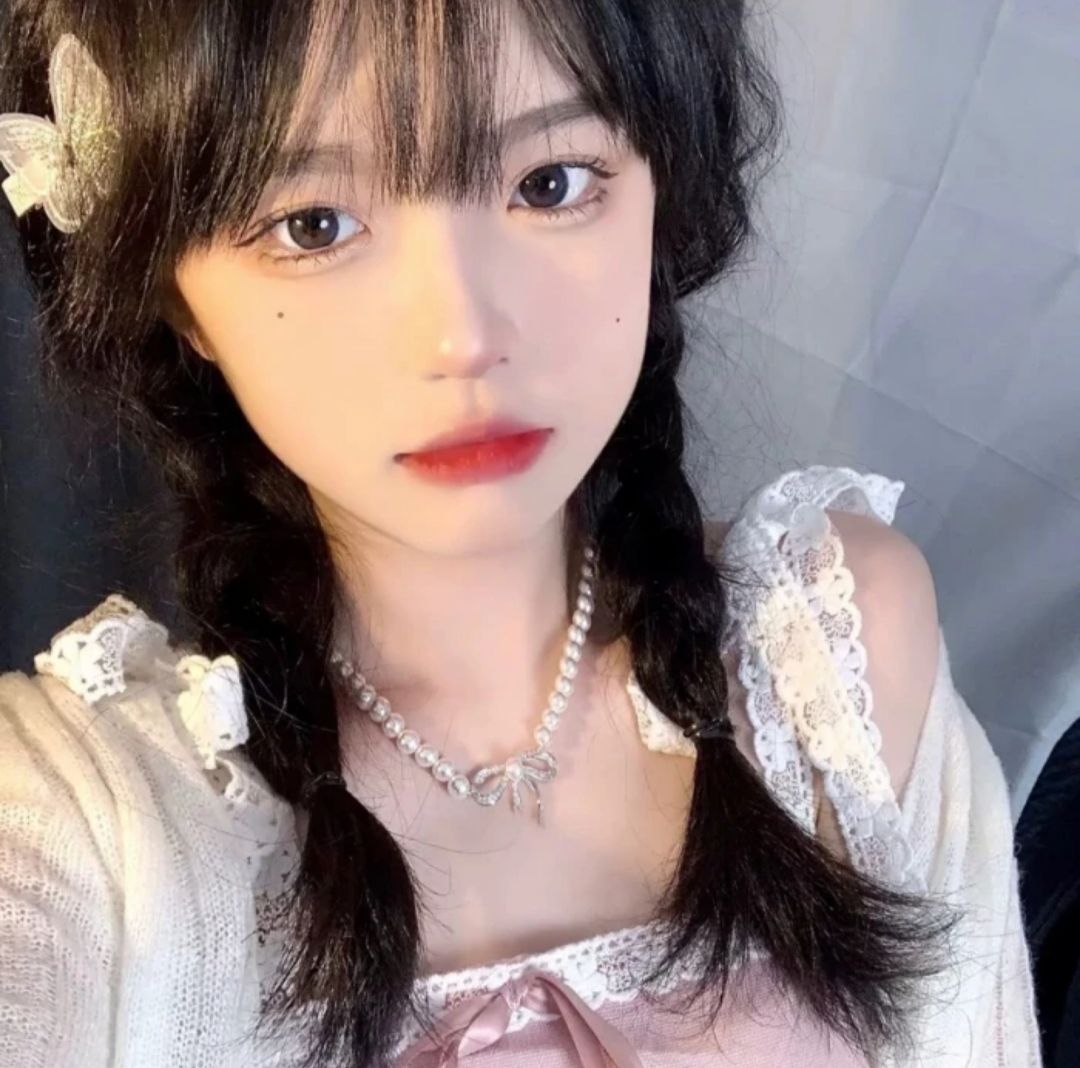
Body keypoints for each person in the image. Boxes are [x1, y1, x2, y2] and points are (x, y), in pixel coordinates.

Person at [0, 2, 1040, 1066]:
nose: (463, 336)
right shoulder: (79, 825)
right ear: (177, 297)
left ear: (660, 191)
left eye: (549, 184)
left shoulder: (829, 659)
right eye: (313, 225)